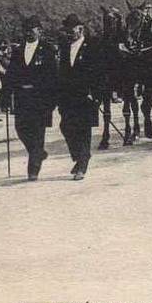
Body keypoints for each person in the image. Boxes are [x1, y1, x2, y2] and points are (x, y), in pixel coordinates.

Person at [0, 15, 59, 180]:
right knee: (21, 129)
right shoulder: (18, 51)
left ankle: (33, 170)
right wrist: (5, 97)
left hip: (40, 99)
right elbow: (10, 74)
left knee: (38, 133)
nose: (28, 33)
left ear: (39, 31)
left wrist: (52, 100)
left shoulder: (47, 49)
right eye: (25, 30)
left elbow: (53, 76)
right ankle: (38, 153)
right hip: (22, 98)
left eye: (31, 30)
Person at [57, 14, 100, 180]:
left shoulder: (91, 45)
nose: (69, 32)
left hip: (85, 94)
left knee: (83, 128)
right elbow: (61, 72)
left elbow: (98, 70)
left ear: (80, 28)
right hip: (68, 95)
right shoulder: (65, 47)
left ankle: (82, 164)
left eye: (72, 28)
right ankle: (80, 156)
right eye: (67, 29)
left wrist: (95, 93)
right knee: (65, 126)